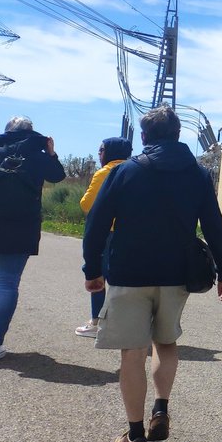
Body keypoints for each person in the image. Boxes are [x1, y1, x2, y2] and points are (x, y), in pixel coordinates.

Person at [81, 106, 222, 442]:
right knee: (165, 343)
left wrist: (93, 270)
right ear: (178, 135)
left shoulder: (125, 172)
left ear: (145, 136)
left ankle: (135, 436)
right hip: (175, 274)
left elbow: (97, 224)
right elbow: (214, 225)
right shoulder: (197, 175)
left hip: (129, 274)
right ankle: (161, 410)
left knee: (132, 352)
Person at [0, 116, 66, 362]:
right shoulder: (39, 157)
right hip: (22, 227)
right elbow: (57, 176)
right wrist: (51, 153)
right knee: (8, 283)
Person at [76, 136, 133, 338]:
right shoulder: (136, 170)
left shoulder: (104, 172)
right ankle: (126, 324)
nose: (99, 154)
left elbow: (86, 204)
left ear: (109, 152)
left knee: (98, 276)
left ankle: (97, 322)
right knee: (123, 280)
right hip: (131, 233)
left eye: (101, 150)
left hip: (107, 231)